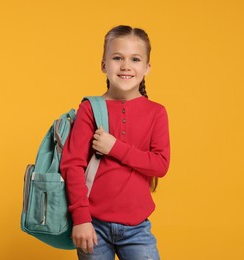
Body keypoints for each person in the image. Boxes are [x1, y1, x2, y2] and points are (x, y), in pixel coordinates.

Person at [60, 25, 170, 260]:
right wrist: (80, 219)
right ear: (103, 64)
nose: (126, 66)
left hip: (137, 228)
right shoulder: (89, 108)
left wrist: (114, 148)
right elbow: (72, 165)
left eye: (135, 59)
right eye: (117, 57)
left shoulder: (157, 113)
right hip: (93, 227)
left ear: (147, 68)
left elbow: (160, 165)